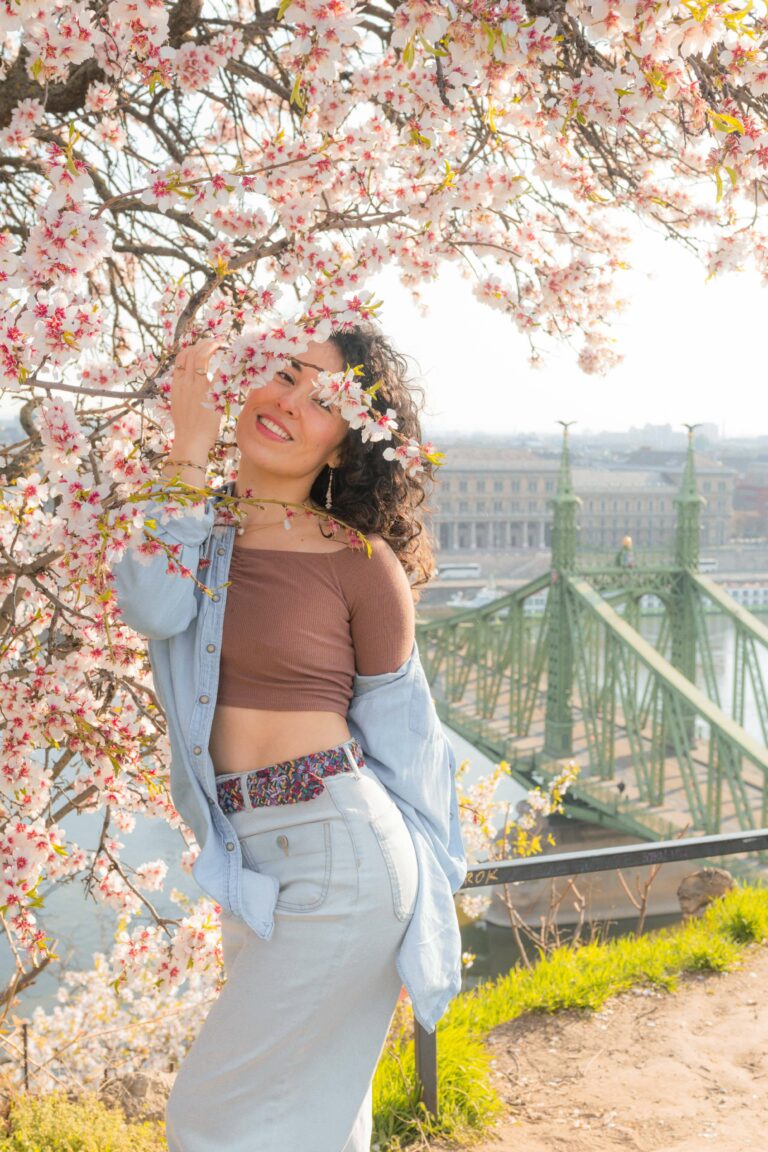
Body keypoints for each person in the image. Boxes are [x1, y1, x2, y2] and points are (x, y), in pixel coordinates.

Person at [110, 324, 467, 1152]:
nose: (290, 403)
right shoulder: (192, 529)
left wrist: (431, 908)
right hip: (253, 863)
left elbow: (411, 745)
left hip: (342, 853)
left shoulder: (359, 563)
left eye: (325, 401)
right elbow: (152, 609)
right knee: (310, 1120)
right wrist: (187, 453)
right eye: (283, 375)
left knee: (212, 1119)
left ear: (345, 447)